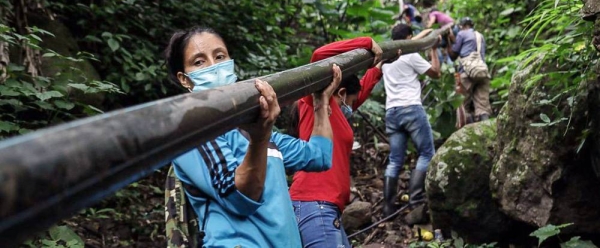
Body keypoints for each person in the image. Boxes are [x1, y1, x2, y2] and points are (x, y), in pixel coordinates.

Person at [165, 26, 341, 247]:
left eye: (220, 56)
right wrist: (260, 138)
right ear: (185, 79)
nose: (214, 66)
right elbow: (240, 199)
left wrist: (321, 104)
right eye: (199, 62)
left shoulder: (256, 131)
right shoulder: (193, 133)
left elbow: (320, 156)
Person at [289, 37, 386, 248]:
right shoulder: (317, 103)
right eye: (350, 102)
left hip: (324, 207)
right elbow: (318, 56)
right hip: (315, 204)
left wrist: (377, 66)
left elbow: (360, 93)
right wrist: (367, 43)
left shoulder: (334, 114)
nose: (353, 107)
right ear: (341, 94)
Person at [381, 24, 440, 225]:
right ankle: (416, 202)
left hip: (392, 111)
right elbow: (435, 73)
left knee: (395, 159)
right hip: (411, 108)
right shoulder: (411, 55)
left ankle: (388, 207)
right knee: (426, 153)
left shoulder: (387, 58)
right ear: (408, 37)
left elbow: (413, 43)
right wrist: (433, 49)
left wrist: (425, 34)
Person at [447, 17, 492, 123]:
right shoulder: (480, 35)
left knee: (463, 105)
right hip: (482, 71)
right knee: (482, 105)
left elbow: (453, 55)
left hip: (466, 73)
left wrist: (449, 41)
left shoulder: (462, 34)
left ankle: (468, 133)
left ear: (461, 26)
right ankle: (485, 129)